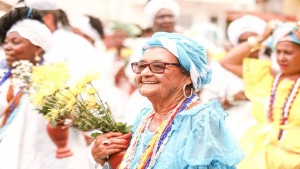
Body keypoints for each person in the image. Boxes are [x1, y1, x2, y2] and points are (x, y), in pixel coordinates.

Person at [91, 32, 244, 169]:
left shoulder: (201, 120)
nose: (145, 73)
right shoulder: (145, 117)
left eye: (158, 66)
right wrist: (104, 160)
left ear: (188, 76)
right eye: (141, 65)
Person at [0, 7, 95, 169]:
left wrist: (72, 117)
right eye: (6, 42)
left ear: (39, 48)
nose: (7, 47)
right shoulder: (5, 79)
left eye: (16, 42)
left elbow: (90, 123)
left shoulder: (57, 79)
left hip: (51, 161)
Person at [220, 21, 300, 168]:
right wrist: (260, 38)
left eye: (288, 53)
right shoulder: (266, 78)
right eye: (279, 51)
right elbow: (227, 61)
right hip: (259, 158)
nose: (281, 58)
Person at [123, 0, 180, 125]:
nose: (166, 20)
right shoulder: (143, 44)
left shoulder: (184, 42)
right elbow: (133, 74)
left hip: (178, 98)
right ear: (152, 20)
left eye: (170, 16)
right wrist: (151, 83)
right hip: (146, 100)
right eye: (161, 17)